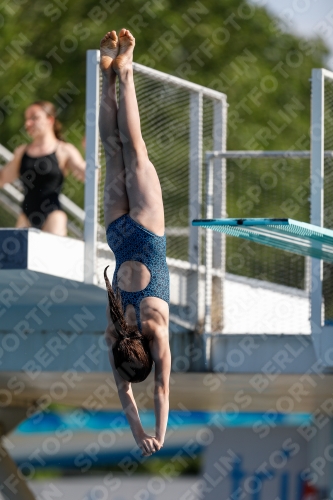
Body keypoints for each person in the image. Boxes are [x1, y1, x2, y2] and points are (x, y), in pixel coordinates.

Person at [100, 29, 171, 458]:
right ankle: (106, 68)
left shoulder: (155, 331)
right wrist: (136, 432)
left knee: (135, 148)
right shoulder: (115, 330)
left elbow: (160, 389)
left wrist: (155, 435)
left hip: (146, 232)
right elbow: (124, 392)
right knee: (114, 149)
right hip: (118, 234)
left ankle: (124, 71)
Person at [0, 101, 85, 236]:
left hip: (53, 218)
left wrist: (92, 150)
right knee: (18, 256)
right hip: (25, 217)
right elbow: (2, 178)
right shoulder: (22, 152)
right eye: (27, 119)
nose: (28, 124)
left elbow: (89, 176)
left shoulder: (64, 150)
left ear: (50, 119)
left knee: (50, 256)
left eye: (34, 118)